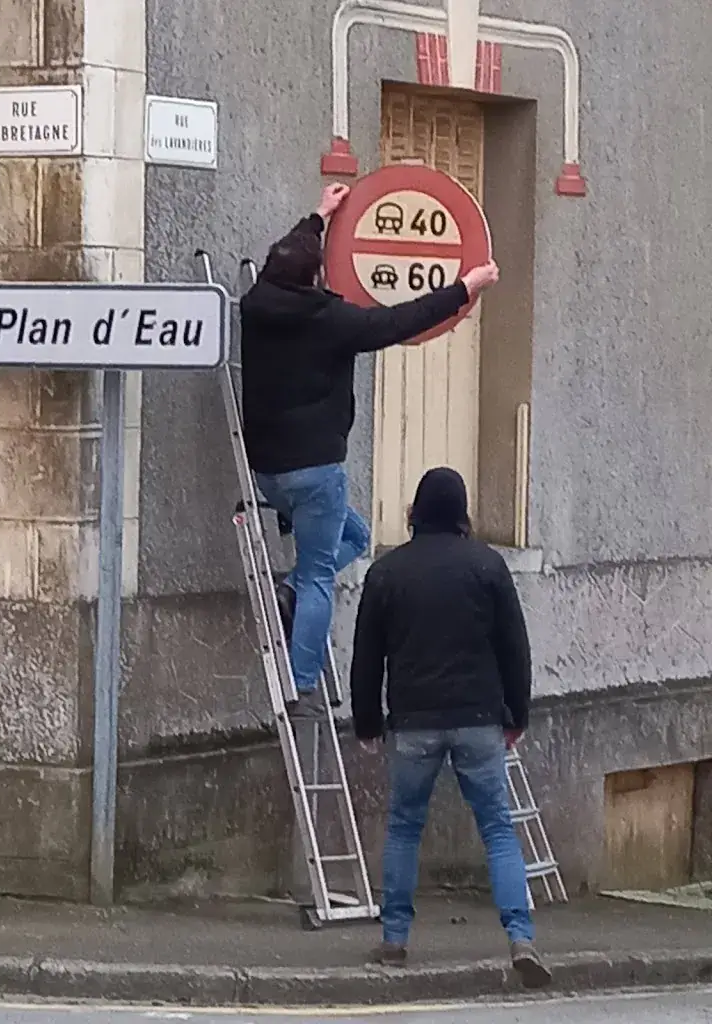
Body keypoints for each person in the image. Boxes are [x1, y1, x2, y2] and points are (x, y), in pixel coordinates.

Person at [241, 185, 500, 719]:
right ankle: (301, 687)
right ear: (316, 276)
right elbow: (400, 320)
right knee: (319, 575)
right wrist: (465, 288)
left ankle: (290, 591)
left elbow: (287, 254)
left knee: (355, 536)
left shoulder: (255, 305)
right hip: (316, 472)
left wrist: (319, 214)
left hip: (266, 471)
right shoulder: (332, 323)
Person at [349, 467, 551, 989]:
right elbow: (515, 648)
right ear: (463, 514)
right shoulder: (488, 566)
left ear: (414, 513)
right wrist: (517, 714)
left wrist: (367, 721)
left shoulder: (387, 573)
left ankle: (395, 939)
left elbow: (367, 657)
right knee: (498, 828)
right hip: (479, 718)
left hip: (413, 721)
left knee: (404, 827)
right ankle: (520, 937)